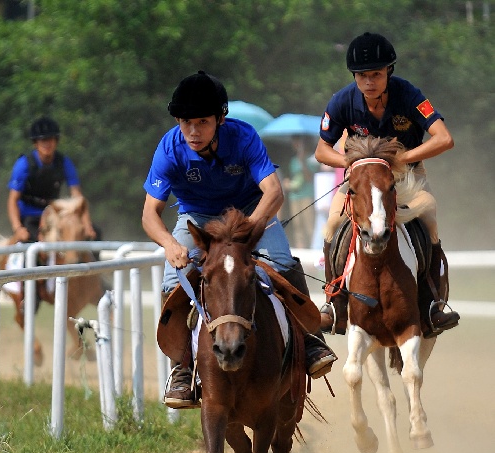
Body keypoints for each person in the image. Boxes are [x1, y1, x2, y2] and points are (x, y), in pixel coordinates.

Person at [142, 70, 337, 408]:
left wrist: (247, 230)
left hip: (248, 211)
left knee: (282, 263)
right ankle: (182, 369)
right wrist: (171, 245)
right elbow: (149, 215)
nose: (192, 131)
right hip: (196, 217)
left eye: (202, 122)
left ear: (220, 118)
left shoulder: (244, 137)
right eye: (185, 121)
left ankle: (311, 340)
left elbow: (273, 192)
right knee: (171, 282)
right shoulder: (169, 148)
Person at [314, 32, 460, 337]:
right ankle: (332, 302)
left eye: (376, 75)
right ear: (355, 76)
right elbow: (321, 150)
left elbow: (444, 139)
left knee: (429, 220)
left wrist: (402, 159)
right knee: (331, 224)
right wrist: (354, 165)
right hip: (362, 180)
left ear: (388, 72)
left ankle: (434, 303)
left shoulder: (408, 95)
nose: (370, 82)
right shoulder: (342, 101)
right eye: (363, 76)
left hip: (406, 178)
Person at [7, 116, 96, 244]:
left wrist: (87, 225)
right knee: (31, 241)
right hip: (29, 217)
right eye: (42, 140)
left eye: (50, 139)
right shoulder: (24, 164)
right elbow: (13, 200)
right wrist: (18, 228)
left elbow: (78, 198)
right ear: (35, 143)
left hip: (55, 215)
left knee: (92, 235)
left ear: (56, 141)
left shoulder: (64, 163)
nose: (47, 143)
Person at [282, 135, 319, 248]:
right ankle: (300, 248)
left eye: (298, 143)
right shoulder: (293, 161)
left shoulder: (311, 160)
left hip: (307, 196)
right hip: (294, 196)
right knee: (297, 225)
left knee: (309, 224)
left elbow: (309, 178)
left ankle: (312, 247)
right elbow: (294, 177)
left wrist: (303, 162)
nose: (296, 145)